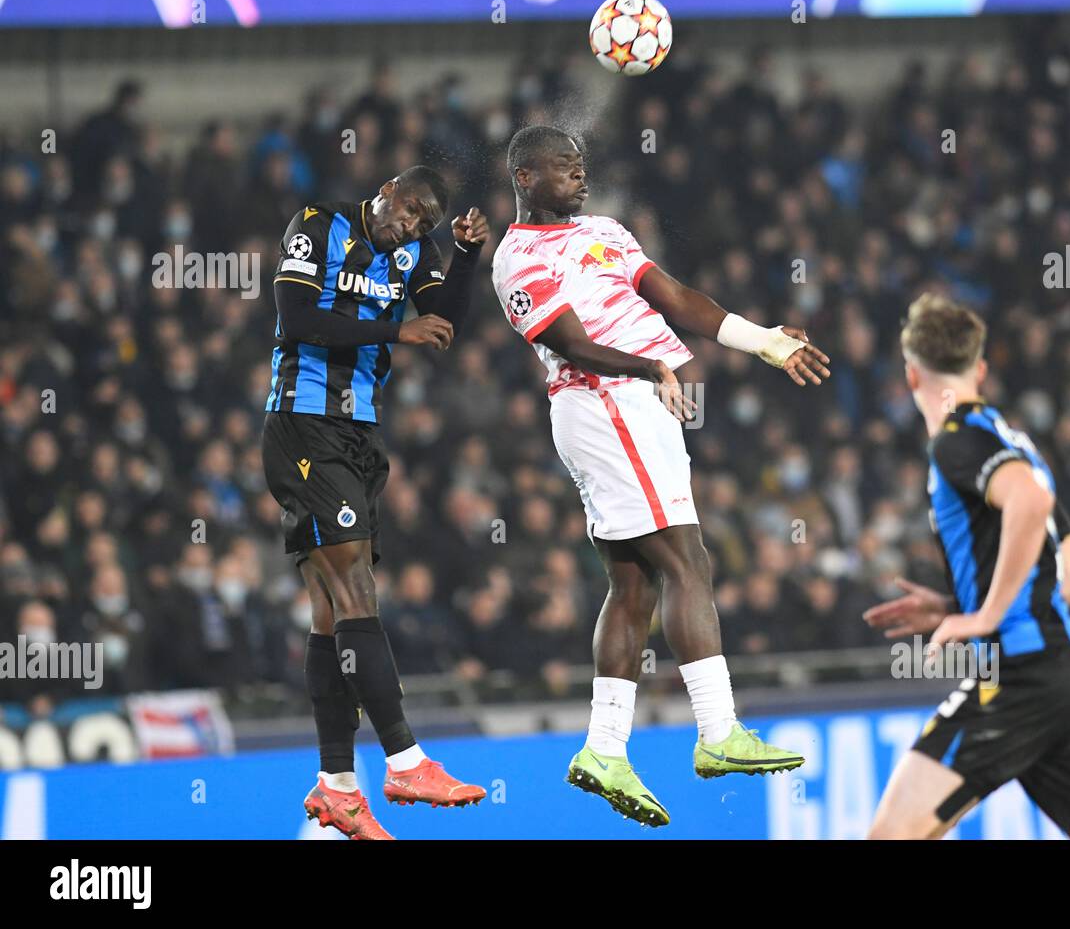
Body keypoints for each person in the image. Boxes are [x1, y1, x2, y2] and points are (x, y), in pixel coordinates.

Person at [491, 126, 830, 826]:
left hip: (638, 403)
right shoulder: (516, 259)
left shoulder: (607, 231)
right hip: (606, 404)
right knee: (689, 562)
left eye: (582, 165)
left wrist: (762, 340)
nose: (580, 177)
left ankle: (605, 748)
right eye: (564, 166)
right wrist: (649, 367)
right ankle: (717, 732)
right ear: (526, 177)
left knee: (635, 581)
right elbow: (570, 343)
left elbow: (674, 298)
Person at [864, 292, 1070, 839]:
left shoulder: (958, 440)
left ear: (911, 375)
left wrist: (983, 616)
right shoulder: (1018, 446)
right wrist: (956, 605)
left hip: (1020, 678)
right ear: (982, 368)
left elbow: (1030, 503)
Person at [262, 166, 490, 839]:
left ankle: (336, 785)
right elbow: (295, 317)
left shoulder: (416, 252)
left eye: (425, 223)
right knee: (357, 590)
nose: (412, 226)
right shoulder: (318, 223)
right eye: (410, 211)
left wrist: (469, 256)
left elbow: (443, 323)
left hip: (359, 433)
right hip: (303, 423)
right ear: (388, 190)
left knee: (332, 611)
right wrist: (396, 333)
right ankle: (405, 759)